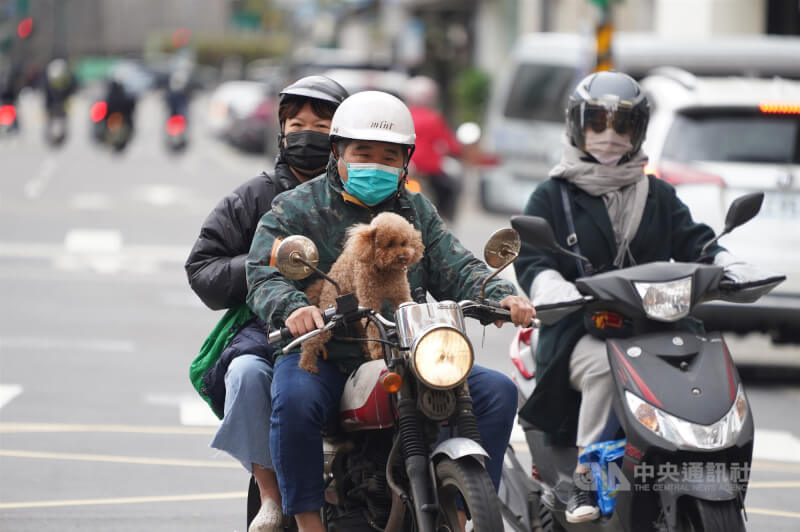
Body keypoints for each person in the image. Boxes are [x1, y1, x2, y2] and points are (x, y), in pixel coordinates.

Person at [245, 90, 535, 532]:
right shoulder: (295, 207)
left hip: (407, 349)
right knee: (295, 402)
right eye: (364, 153)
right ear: (338, 151)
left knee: (496, 391)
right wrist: (293, 308)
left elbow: (457, 265)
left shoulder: (416, 209)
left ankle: (463, 512)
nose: (376, 165)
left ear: (405, 162)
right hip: (328, 353)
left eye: (389, 156)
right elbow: (262, 275)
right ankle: (307, 523)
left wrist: (501, 296)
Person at [513, 70, 774, 523]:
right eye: (597, 122)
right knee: (604, 368)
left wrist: (729, 264)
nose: (610, 135)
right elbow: (533, 260)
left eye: (623, 125)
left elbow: (699, 244)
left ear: (638, 132)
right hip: (582, 329)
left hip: (662, 325)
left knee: (710, 362)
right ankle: (587, 480)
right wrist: (551, 286)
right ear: (577, 126)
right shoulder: (551, 194)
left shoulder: (658, 193)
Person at [185, 75, 349, 532]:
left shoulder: (369, 195)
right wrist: (268, 263)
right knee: (246, 371)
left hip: (355, 331)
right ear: (281, 132)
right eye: (297, 124)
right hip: (274, 332)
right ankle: (272, 498)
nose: (307, 134)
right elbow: (202, 271)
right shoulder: (256, 197)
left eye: (322, 124)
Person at [403, 75, 463, 221]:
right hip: (430, 170)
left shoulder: (403, 115)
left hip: (405, 166)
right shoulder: (434, 118)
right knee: (450, 187)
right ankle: (443, 217)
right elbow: (451, 145)